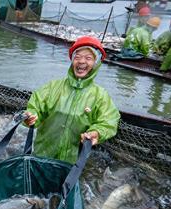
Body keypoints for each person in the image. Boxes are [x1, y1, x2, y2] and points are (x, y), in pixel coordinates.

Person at [24, 36, 120, 164]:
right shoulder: (52, 87)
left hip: (72, 162)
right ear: (72, 60)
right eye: (77, 57)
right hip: (42, 154)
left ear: (96, 64)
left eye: (88, 58)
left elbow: (109, 121)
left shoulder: (100, 96)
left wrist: (97, 132)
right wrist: (31, 117)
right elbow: (35, 107)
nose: (81, 61)